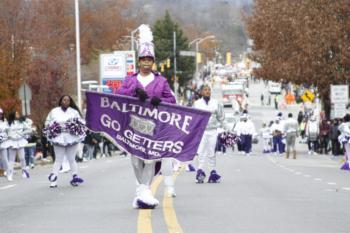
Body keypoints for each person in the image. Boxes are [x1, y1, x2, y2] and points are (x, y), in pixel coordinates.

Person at [117, 24, 176, 208]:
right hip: (133, 126)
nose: (146, 63)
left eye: (149, 59)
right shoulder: (130, 80)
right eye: (143, 59)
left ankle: (143, 192)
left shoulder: (161, 80)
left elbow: (172, 100)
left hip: (153, 127)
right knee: (135, 158)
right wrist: (134, 92)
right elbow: (118, 95)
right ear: (138, 61)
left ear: (153, 62)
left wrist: (161, 101)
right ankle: (143, 192)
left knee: (150, 158)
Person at [44, 95, 86, 188]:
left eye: (68, 100)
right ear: (61, 101)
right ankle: (53, 181)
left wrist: (74, 128)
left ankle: (75, 179)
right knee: (58, 160)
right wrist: (53, 129)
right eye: (64, 100)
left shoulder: (74, 112)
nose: (66, 101)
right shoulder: (54, 111)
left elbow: (80, 123)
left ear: (70, 102)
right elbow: (47, 123)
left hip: (71, 137)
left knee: (72, 159)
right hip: (58, 137)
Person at [193, 84, 224, 183]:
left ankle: (213, 173)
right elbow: (193, 118)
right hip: (201, 131)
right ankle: (200, 172)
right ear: (202, 92)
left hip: (213, 131)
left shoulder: (216, 103)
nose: (207, 92)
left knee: (212, 153)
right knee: (201, 152)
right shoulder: (197, 103)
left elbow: (221, 117)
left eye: (209, 90)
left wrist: (228, 129)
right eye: (205, 90)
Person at [5, 110, 32, 180]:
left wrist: (22, 133)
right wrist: (8, 136)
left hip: (20, 141)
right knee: (11, 159)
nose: (18, 114)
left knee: (22, 158)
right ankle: (9, 174)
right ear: (13, 114)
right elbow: (4, 131)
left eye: (18, 113)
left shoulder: (22, 122)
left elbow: (29, 129)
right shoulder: (8, 123)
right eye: (16, 113)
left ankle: (24, 172)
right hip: (12, 142)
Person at [0, 108, 10, 181]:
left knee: (5, 159)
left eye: (1, 114)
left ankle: (9, 173)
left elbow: (8, 132)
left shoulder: (4, 122)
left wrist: (5, 137)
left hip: (3, 143)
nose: (0, 115)